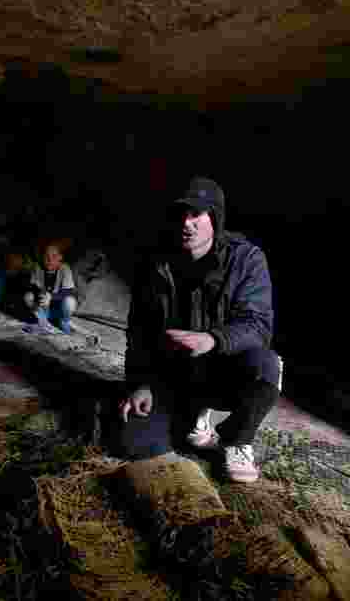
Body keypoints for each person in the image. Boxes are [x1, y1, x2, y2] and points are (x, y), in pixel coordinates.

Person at [114, 176, 281, 483]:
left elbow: (258, 325)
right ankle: (193, 415)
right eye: (180, 215)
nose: (186, 223)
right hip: (172, 374)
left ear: (214, 218)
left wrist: (213, 340)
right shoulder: (154, 262)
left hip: (222, 371)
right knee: (134, 443)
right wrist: (139, 382)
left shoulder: (246, 259)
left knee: (267, 366)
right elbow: (139, 332)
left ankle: (235, 439)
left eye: (196, 214)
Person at [22, 243, 79, 334]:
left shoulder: (65, 268)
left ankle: (64, 321)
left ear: (60, 257)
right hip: (44, 309)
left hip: (59, 309)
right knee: (28, 296)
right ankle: (42, 322)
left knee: (70, 301)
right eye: (46, 256)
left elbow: (69, 292)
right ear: (42, 257)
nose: (50, 259)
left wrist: (51, 297)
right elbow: (32, 287)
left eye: (54, 256)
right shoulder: (37, 267)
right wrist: (41, 295)